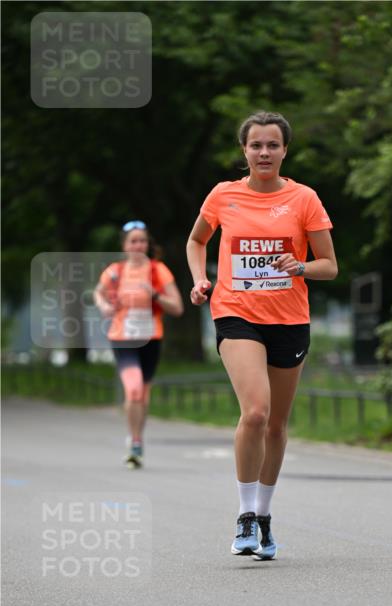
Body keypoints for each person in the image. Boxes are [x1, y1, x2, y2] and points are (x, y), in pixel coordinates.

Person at [186, 110, 337, 559]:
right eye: (256, 145)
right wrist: (199, 279)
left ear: (284, 150)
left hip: (289, 320)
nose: (264, 152)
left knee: (275, 425)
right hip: (236, 314)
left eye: (272, 145)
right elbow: (197, 241)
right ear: (244, 151)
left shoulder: (304, 198)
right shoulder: (223, 195)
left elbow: (330, 265)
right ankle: (245, 516)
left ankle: (265, 517)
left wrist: (301, 265)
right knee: (255, 412)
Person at [94, 222, 184, 467]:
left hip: (151, 338)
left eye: (142, 241)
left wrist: (154, 294)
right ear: (124, 246)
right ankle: (134, 442)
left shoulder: (158, 271)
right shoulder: (115, 271)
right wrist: (104, 306)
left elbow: (177, 307)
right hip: (122, 337)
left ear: (148, 244)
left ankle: (137, 439)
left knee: (142, 395)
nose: (138, 245)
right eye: (133, 241)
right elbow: (99, 293)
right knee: (133, 389)